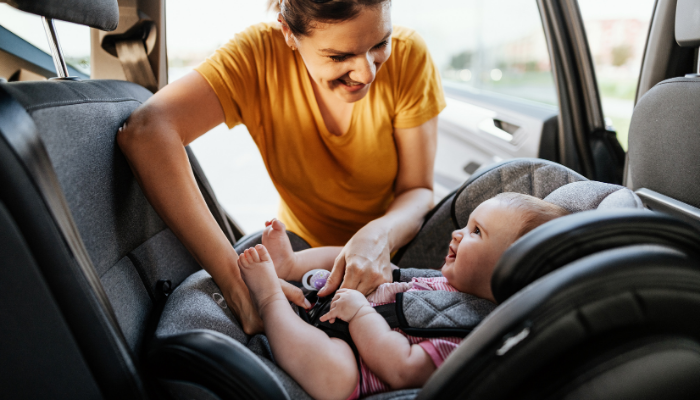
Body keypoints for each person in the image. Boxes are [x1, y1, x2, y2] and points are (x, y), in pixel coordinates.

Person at [117, 0, 445, 334]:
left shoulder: (409, 56)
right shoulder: (258, 56)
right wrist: (238, 287)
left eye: (379, 44)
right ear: (289, 32)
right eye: (338, 56)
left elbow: (417, 190)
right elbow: (146, 133)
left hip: (394, 251)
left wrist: (378, 235)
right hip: (301, 250)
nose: (367, 73)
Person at [237, 193, 570, 400]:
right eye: (467, 225)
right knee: (366, 259)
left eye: (476, 233)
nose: (457, 234)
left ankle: (268, 300)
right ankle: (291, 265)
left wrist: (360, 315)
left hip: (357, 363)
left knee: (335, 377)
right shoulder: (447, 284)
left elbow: (402, 369)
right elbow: (396, 285)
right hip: (347, 304)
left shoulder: (469, 336)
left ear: (507, 272)